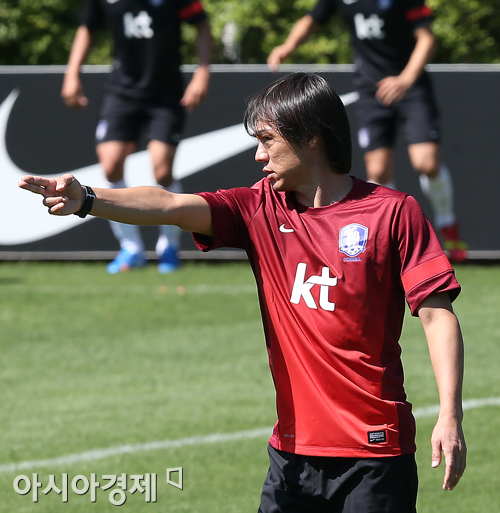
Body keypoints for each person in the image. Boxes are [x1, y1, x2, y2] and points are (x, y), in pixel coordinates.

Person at [20, 72, 466, 512]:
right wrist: (91, 200)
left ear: (311, 137)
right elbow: (169, 205)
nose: (258, 155)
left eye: (268, 139)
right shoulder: (259, 208)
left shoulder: (393, 212)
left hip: (374, 455)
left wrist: (450, 413)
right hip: (291, 456)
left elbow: (437, 314)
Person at [268, 0, 467, 263]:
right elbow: (312, 18)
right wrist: (287, 46)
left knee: (426, 163)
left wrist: (405, 79)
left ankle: (448, 226)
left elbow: (427, 38)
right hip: (371, 90)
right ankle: (392, 243)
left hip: (410, 86)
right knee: (377, 172)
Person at [61, 0, 212, 274]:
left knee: (162, 170)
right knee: (110, 163)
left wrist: (202, 72)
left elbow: (202, 25)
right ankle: (130, 248)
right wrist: (72, 74)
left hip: (165, 92)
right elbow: (88, 29)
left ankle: (168, 248)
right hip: (122, 90)